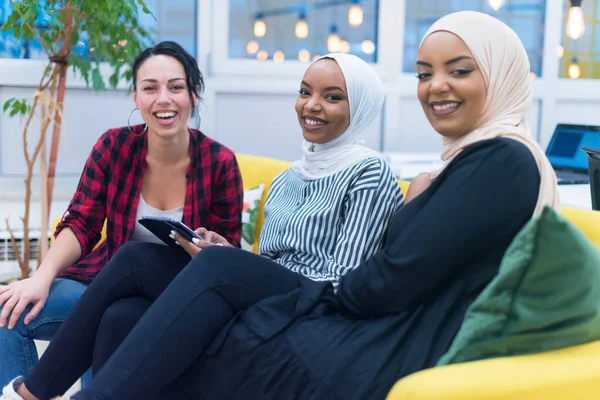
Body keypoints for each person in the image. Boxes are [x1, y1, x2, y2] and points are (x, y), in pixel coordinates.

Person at [2, 52, 404, 400]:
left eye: (332, 97)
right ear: (136, 97)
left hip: (319, 300)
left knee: (147, 261)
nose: (312, 105)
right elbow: (262, 263)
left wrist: (226, 261)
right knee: (122, 311)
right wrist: (228, 256)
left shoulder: (369, 173)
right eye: (305, 92)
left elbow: (343, 280)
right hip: (248, 291)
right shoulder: (290, 178)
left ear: (194, 95)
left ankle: (31, 393)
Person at [0, 41, 244, 388]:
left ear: (194, 93)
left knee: (112, 321)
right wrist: (40, 277)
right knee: (9, 313)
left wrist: (213, 245)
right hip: (104, 282)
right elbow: (81, 223)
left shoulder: (219, 163)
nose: (164, 99)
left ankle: (38, 392)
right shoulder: (113, 146)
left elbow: (226, 252)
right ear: (135, 97)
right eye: (150, 88)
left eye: (176, 87)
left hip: (175, 295)